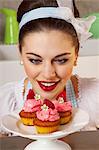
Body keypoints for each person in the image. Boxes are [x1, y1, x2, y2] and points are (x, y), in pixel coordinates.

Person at [0, 0, 99, 137]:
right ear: (20, 53)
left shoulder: (96, 98)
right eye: (35, 60)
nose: (48, 74)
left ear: (76, 55)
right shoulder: (5, 102)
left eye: (61, 60)